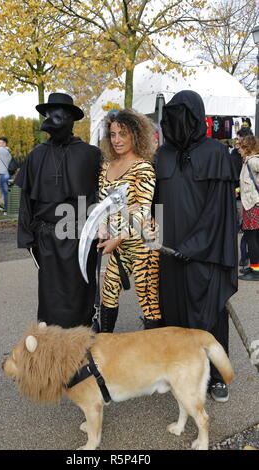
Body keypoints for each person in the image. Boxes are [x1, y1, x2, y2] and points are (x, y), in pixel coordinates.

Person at [155, 90, 238, 403]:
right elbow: (153, 203)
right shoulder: (161, 155)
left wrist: (194, 246)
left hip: (206, 253)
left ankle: (216, 376)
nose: (177, 122)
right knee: (174, 316)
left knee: (209, 316)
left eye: (184, 115)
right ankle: (180, 374)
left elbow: (218, 210)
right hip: (169, 254)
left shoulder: (216, 152)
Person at [14, 92, 101, 328]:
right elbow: (25, 202)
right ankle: (53, 349)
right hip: (47, 238)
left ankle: (82, 349)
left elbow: (100, 196)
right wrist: (27, 238)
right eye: (51, 113)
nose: (56, 118)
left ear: (72, 118)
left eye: (61, 113)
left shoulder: (90, 154)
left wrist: (101, 230)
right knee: (51, 296)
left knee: (81, 291)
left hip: (80, 236)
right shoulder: (36, 156)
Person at [97, 109, 161, 332]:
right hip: (118, 243)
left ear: (135, 135)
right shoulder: (107, 166)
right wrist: (103, 228)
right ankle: (103, 344)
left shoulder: (143, 167)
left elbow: (142, 211)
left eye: (122, 134)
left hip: (144, 242)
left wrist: (117, 238)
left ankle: (154, 352)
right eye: (113, 134)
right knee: (108, 290)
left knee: (147, 297)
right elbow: (102, 205)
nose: (117, 140)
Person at [237, 135, 259, 281]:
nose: (238, 149)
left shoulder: (253, 162)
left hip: (253, 205)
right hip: (251, 204)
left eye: (241, 146)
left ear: (247, 148)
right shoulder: (248, 162)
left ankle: (256, 271)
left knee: (252, 238)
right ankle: (254, 267)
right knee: (253, 238)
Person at [0, 137, 11, 215]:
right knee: (5, 193)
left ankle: (6, 210)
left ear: (4, 144)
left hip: (4, 175)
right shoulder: (6, 150)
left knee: (5, 193)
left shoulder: (2, 150)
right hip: (5, 174)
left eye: (0, 143)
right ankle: (7, 208)